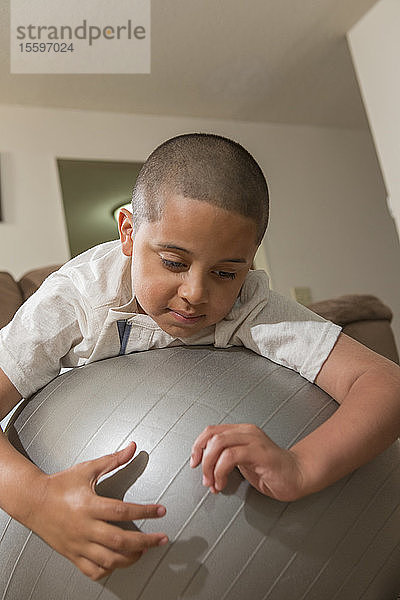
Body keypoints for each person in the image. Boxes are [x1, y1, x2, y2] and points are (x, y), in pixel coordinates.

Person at [0, 133, 399, 582]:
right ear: (129, 233)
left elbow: (384, 383)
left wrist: (302, 465)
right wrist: (37, 501)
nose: (195, 293)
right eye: (173, 261)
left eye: (225, 272)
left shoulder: (249, 303)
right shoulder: (73, 301)